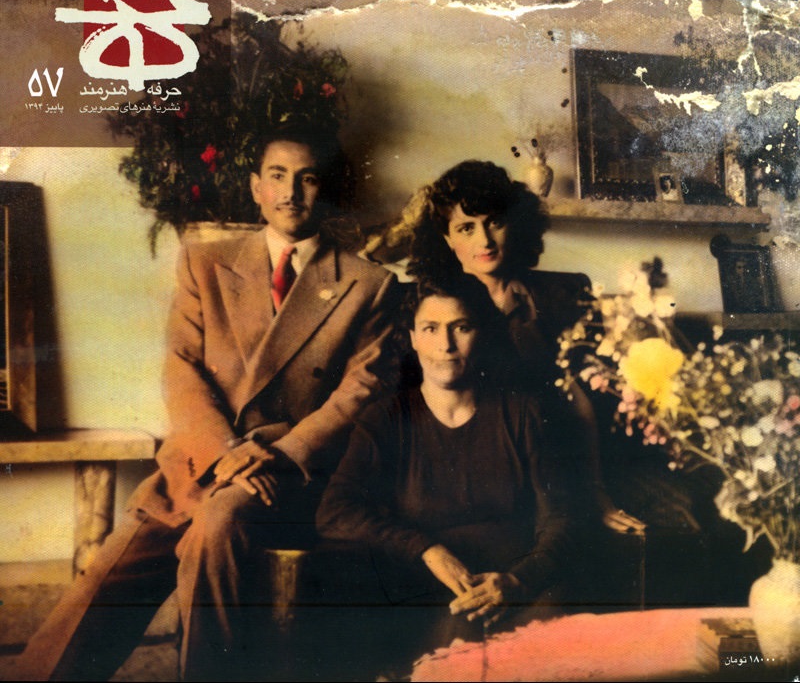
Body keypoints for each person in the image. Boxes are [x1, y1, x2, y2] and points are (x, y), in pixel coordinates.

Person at [15, 124, 401, 682]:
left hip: (290, 474)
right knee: (115, 567)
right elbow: (182, 369)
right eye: (278, 176)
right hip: (203, 459)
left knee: (218, 526)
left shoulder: (367, 284)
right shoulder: (206, 263)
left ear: (326, 190)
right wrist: (225, 454)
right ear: (256, 188)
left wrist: (273, 455)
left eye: (308, 178)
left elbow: (358, 393)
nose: (291, 192)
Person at [316, 274, 593, 678]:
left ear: (482, 334)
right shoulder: (385, 419)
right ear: (413, 338)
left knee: (554, 639)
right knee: (453, 648)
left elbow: (563, 516)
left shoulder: (523, 413)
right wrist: (425, 549)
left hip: (516, 587)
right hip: (430, 593)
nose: (445, 345)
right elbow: (334, 512)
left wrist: (519, 580)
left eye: (461, 327)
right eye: (431, 329)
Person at [406, 159, 643, 534]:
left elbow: (577, 401)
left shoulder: (559, 295)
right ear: (447, 239)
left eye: (495, 223)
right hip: (467, 469)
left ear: (514, 224)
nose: (484, 241)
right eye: (466, 228)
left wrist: (598, 495)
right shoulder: (429, 307)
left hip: (548, 462)